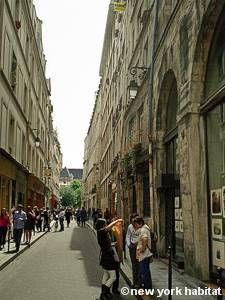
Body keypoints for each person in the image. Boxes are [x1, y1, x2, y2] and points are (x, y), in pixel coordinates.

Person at [96, 217, 123, 300]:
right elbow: (107, 228)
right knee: (113, 276)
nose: (106, 225)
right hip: (108, 257)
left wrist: (113, 244)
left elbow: (106, 244)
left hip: (106, 255)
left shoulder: (102, 233)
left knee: (106, 274)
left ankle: (103, 293)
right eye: (104, 224)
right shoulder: (101, 232)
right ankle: (105, 292)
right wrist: (116, 221)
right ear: (102, 225)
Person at [133, 217, 152, 290]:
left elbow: (145, 239)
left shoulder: (143, 230)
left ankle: (147, 288)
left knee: (144, 272)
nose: (136, 226)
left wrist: (142, 250)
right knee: (145, 272)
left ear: (140, 223)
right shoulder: (145, 228)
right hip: (145, 254)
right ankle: (147, 287)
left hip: (144, 255)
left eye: (137, 224)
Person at [126, 213, 140, 287]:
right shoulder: (130, 227)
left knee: (139, 264)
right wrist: (129, 245)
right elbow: (128, 235)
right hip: (132, 247)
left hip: (140, 247)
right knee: (134, 265)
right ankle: (135, 282)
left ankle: (140, 281)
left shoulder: (141, 226)